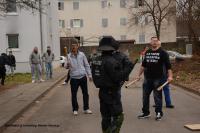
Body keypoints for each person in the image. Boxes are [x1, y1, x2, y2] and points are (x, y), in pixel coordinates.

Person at [92, 36, 134, 133]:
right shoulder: (111, 61)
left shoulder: (95, 59)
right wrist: (129, 67)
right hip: (112, 94)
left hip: (102, 93)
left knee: (105, 117)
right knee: (118, 117)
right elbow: (118, 77)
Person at [136, 37, 173, 121]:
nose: (154, 42)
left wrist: (170, 76)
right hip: (147, 78)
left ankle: (158, 113)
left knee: (157, 97)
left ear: (158, 42)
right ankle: (145, 113)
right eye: (153, 41)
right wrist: (138, 75)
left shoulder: (163, 53)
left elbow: (168, 66)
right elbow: (143, 65)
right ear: (150, 42)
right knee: (145, 96)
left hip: (158, 78)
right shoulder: (147, 52)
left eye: (156, 41)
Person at [65, 38, 93, 116]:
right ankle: (75, 109)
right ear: (71, 47)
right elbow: (65, 66)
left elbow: (87, 65)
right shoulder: (68, 56)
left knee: (85, 94)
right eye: (72, 46)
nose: (74, 47)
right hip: (74, 78)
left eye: (75, 45)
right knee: (74, 94)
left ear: (78, 46)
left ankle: (86, 108)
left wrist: (89, 75)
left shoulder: (82, 54)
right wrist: (67, 65)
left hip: (83, 77)